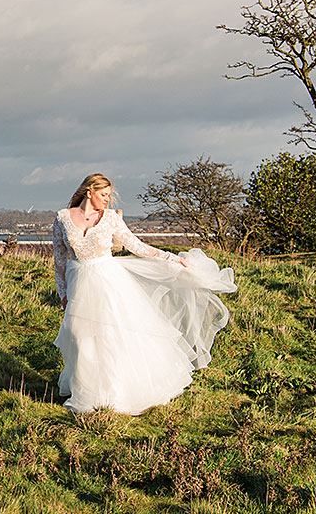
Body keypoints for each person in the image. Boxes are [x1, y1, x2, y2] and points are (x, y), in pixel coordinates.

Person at [51, 173, 237, 415]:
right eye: (103, 195)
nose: (108, 200)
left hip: (107, 283)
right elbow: (59, 261)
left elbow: (136, 246)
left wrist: (171, 258)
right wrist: (62, 293)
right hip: (78, 284)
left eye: (109, 195)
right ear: (89, 192)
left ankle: (109, 393)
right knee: (78, 336)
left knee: (108, 335)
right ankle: (85, 389)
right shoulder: (63, 218)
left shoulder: (110, 219)